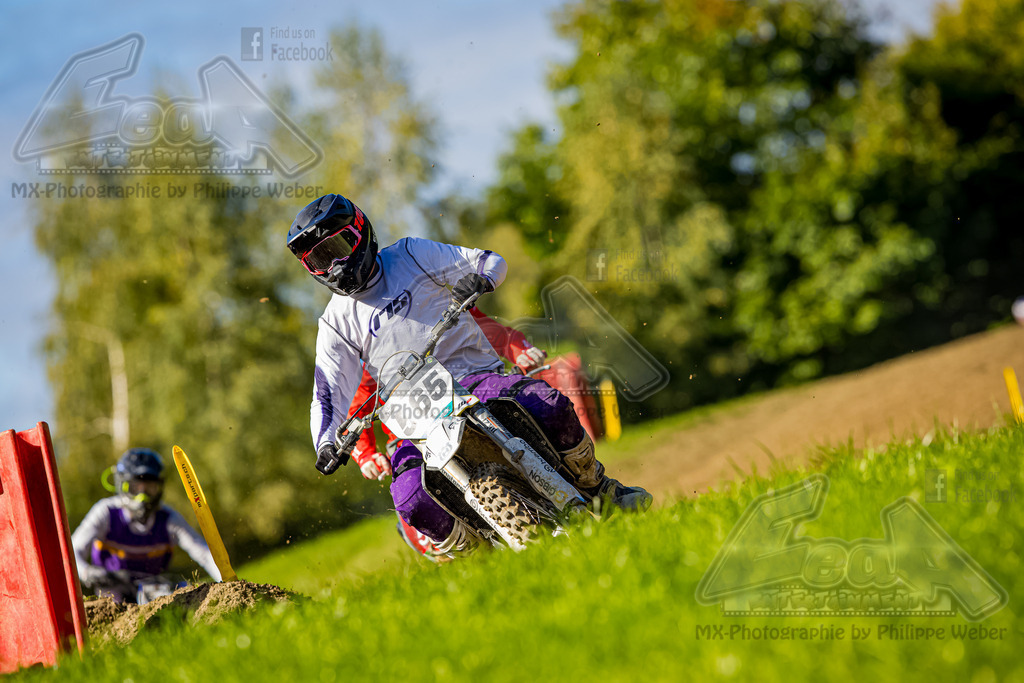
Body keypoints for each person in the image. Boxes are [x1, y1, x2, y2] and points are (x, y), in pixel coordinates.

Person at [287, 193, 652, 555]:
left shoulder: (411, 255)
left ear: (360, 233)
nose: (333, 265)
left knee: (546, 404)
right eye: (319, 260)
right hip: (410, 421)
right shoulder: (335, 323)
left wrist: (481, 280)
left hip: (473, 377)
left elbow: (489, 261)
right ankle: (473, 557)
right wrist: (326, 443)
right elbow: (328, 393)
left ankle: (598, 487)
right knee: (411, 498)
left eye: (337, 247)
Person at [71, 448, 222, 602]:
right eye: (135, 487)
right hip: (112, 589)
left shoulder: (169, 518)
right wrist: (87, 572)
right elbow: (72, 550)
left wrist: (226, 581)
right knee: (112, 602)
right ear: (121, 485)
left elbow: (203, 553)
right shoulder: (105, 512)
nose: (142, 496)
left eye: (149, 487)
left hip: (154, 592)